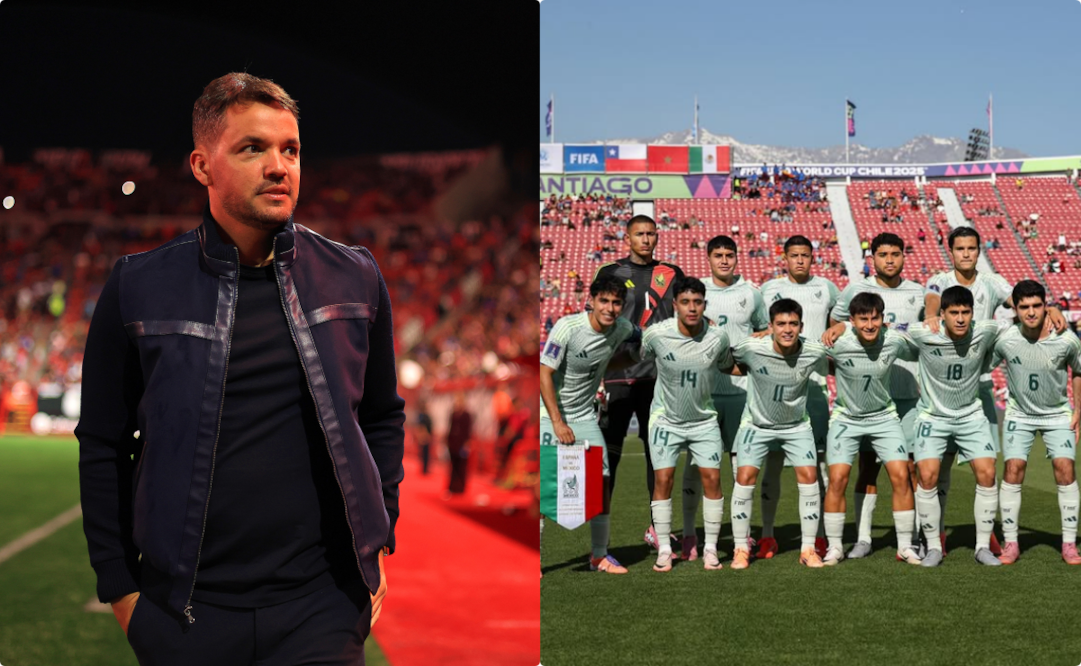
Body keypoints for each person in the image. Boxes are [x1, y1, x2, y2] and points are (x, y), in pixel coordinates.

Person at [76, 72, 401, 664]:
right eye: (253, 148)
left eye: (290, 149)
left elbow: (381, 416)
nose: (279, 166)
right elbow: (102, 444)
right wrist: (121, 591)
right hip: (185, 617)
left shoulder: (355, 277)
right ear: (202, 165)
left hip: (321, 610)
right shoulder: (137, 286)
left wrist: (376, 544)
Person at [924, 226, 1066, 554]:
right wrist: (932, 318)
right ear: (951, 251)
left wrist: (1052, 306)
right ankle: (938, 532)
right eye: (960, 248)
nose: (966, 254)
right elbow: (932, 303)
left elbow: (1019, 297)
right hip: (943, 391)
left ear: (978, 250)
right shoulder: (939, 280)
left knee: (984, 465)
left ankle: (985, 532)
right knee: (941, 466)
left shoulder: (991, 281)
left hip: (981, 386)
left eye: (972, 248)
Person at [823, 233, 924, 558]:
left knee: (909, 470)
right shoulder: (856, 289)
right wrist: (838, 327)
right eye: (883, 254)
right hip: (861, 399)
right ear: (873, 258)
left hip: (905, 396)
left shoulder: (917, 292)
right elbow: (836, 324)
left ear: (903, 255)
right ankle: (863, 538)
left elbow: (922, 339)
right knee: (866, 468)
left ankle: (912, 537)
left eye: (896, 253)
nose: (890, 260)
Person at [591, 215, 686, 552]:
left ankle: (657, 529)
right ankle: (601, 539)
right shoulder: (611, 274)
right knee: (608, 458)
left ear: (657, 236)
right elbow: (596, 322)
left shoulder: (672, 274)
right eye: (639, 234)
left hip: (659, 378)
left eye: (650, 234)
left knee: (657, 455)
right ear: (627, 238)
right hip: (617, 375)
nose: (646, 239)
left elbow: (685, 319)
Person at [674, 235, 768, 562]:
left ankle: (741, 539)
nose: (724, 260)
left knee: (742, 468)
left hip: (744, 396)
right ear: (709, 258)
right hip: (706, 397)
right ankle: (689, 535)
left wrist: (759, 337)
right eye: (718, 255)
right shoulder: (697, 293)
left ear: (737, 257)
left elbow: (767, 329)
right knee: (697, 468)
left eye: (730, 254)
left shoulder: (752, 293)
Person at [539, 275, 639, 573]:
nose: (610, 308)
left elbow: (640, 338)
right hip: (551, 415)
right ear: (591, 302)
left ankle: (598, 555)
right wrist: (557, 422)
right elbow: (543, 373)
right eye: (604, 301)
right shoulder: (568, 328)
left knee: (602, 481)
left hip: (584, 416)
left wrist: (636, 355)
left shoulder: (622, 328)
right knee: (544, 488)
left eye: (616, 302)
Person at [724, 298, 830, 570]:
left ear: (801, 326)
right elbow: (727, 362)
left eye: (793, 324)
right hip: (756, 425)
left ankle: (808, 549)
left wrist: (840, 329)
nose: (787, 329)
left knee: (809, 477)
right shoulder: (751, 346)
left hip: (796, 426)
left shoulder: (813, 351)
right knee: (745, 478)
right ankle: (740, 548)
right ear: (769, 326)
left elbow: (838, 360)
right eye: (780, 324)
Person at [903, 286, 1002, 567]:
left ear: (973, 313)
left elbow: (1023, 321)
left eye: (966, 312)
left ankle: (982, 546)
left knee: (987, 472)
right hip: (933, 418)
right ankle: (933, 545)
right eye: (954, 313)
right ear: (943, 314)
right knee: (928, 475)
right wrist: (841, 327)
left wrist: (1052, 311)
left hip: (971, 416)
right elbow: (885, 326)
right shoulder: (924, 332)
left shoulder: (986, 330)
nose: (960, 319)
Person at [640, 277, 732, 572]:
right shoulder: (655, 334)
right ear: (674, 304)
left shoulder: (718, 337)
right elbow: (639, 357)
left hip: (704, 421)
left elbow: (729, 364)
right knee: (663, 481)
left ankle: (711, 549)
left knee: (713, 481)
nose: (692, 308)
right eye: (686, 302)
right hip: (666, 420)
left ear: (705, 303)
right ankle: (665, 550)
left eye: (698, 302)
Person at [757, 235, 839, 558]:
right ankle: (766, 534)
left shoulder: (828, 288)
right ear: (785, 258)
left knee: (817, 465)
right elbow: (760, 330)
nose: (800, 260)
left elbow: (839, 323)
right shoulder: (768, 290)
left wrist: (841, 329)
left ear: (812, 257)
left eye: (806, 255)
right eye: (795, 255)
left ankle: (818, 535)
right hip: (776, 390)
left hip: (814, 387)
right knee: (773, 465)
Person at [991, 280, 1081, 564]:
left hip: (1057, 414)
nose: (1031, 312)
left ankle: (1069, 543)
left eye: (1037, 306)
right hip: (1019, 414)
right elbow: (981, 366)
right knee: (1013, 469)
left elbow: (1078, 371)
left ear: (1046, 306)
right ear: (1015, 310)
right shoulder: (1006, 339)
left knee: (1065, 469)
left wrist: (1078, 410)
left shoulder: (1066, 339)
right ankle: (1012, 543)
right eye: (1024, 307)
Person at [446, 393, 473, 495]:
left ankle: (461, 488)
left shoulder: (467, 415)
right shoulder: (453, 414)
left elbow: (468, 431)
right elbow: (450, 428)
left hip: (462, 444)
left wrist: (467, 444)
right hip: (453, 443)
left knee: (462, 466)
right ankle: (452, 487)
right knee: (453, 466)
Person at [415, 397, 434, 475]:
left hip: (427, 435)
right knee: (424, 453)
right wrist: (423, 436)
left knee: (426, 453)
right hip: (424, 436)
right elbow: (420, 427)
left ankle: (425, 468)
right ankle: (424, 469)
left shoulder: (425, 415)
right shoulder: (422, 416)